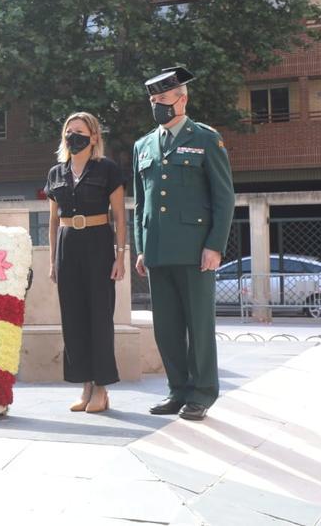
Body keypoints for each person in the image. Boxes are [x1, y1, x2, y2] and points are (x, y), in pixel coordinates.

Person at [134, 66, 235, 422]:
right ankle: (177, 389)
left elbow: (224, 198)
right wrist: (141, 247)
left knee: (199, 324)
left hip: (195, 250)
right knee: (167, 326)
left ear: (182, 98)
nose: (158, 105)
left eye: (163, 99)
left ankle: (203, 392)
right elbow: (141, 202)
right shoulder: (143, 145)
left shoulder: (205, 138)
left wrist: (215, 245)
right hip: (158, 250)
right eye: (153, 101)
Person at [45, 112, 126, 413]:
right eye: (68, 131)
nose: (72, 136)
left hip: (98, 243)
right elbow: (53, 220)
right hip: (68, 245)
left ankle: (102, 389)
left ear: (93, 137)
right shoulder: (56, 172)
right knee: (74, 319)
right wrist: (53, 260)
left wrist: (120, 256)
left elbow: (119, 216)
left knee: (99, 318)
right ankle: (85, 386)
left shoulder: (107, 169)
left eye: (79, 131)